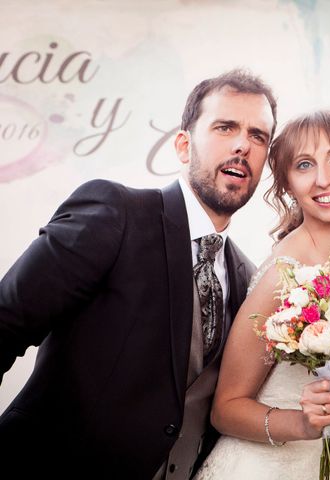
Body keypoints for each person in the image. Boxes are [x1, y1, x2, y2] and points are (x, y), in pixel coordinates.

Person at [0, 69, 277, 479]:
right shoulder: (116, 213)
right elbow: (6, 321)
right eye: (225, 127)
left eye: (258, 136)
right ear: (184, 146)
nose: (242, 145)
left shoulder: (248, 277)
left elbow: (237, 396)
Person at [193, 110, 330, 480]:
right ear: (288, 183)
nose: (325, 179)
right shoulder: (284, 274)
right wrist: (303, 426)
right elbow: (225, 409)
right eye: (304, 165)